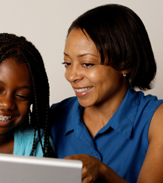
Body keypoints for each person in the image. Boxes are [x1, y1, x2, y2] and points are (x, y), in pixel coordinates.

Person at [50, 4, 163, 183]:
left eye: (87, 64)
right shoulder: (54, 116)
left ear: (125, 63)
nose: (71, 76)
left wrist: (102, 171)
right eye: (67, 63)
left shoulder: (157, 120)